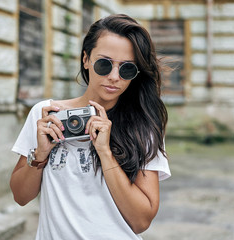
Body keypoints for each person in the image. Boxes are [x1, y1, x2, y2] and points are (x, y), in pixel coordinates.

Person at [10, 14, 171, 240]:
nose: (114, 77)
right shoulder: (47, 115)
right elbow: (20, 196)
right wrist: (40, 154)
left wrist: (105, 152)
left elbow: (141, 220)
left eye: (126, 69)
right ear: (86, 59)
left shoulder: (143, 125)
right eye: (104, 64)